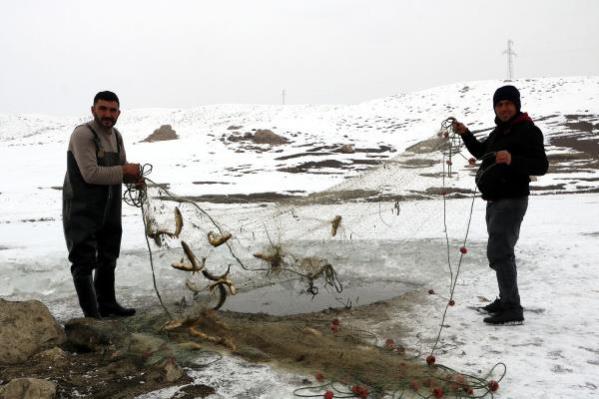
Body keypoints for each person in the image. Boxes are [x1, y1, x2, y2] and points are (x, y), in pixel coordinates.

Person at [453, 85, 548, 325]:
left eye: (508, 103)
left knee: (500, 251)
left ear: (516, 105)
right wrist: (465, 133)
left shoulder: (528, 130)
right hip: (495, 200)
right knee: (501, 251)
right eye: (499, 104)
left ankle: (512, 307)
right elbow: (481, 150)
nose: (504, 108)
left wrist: (513, 159)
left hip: (512, 199)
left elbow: (541, 166)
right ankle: (506, 300)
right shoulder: (499, 132)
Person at [62, 91, 143, 319]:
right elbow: (90, 174)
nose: (108, 114)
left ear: (119, 112)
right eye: (103, 109)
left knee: (108, 255)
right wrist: (124, 171)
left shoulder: (116, 136)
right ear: (93, 110)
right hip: (81, 208)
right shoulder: (82, 135)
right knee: (83, 259)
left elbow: (121, 169)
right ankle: (92, 316)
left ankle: (107, 305)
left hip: (110, 208)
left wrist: (134, 178)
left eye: (112, 110)